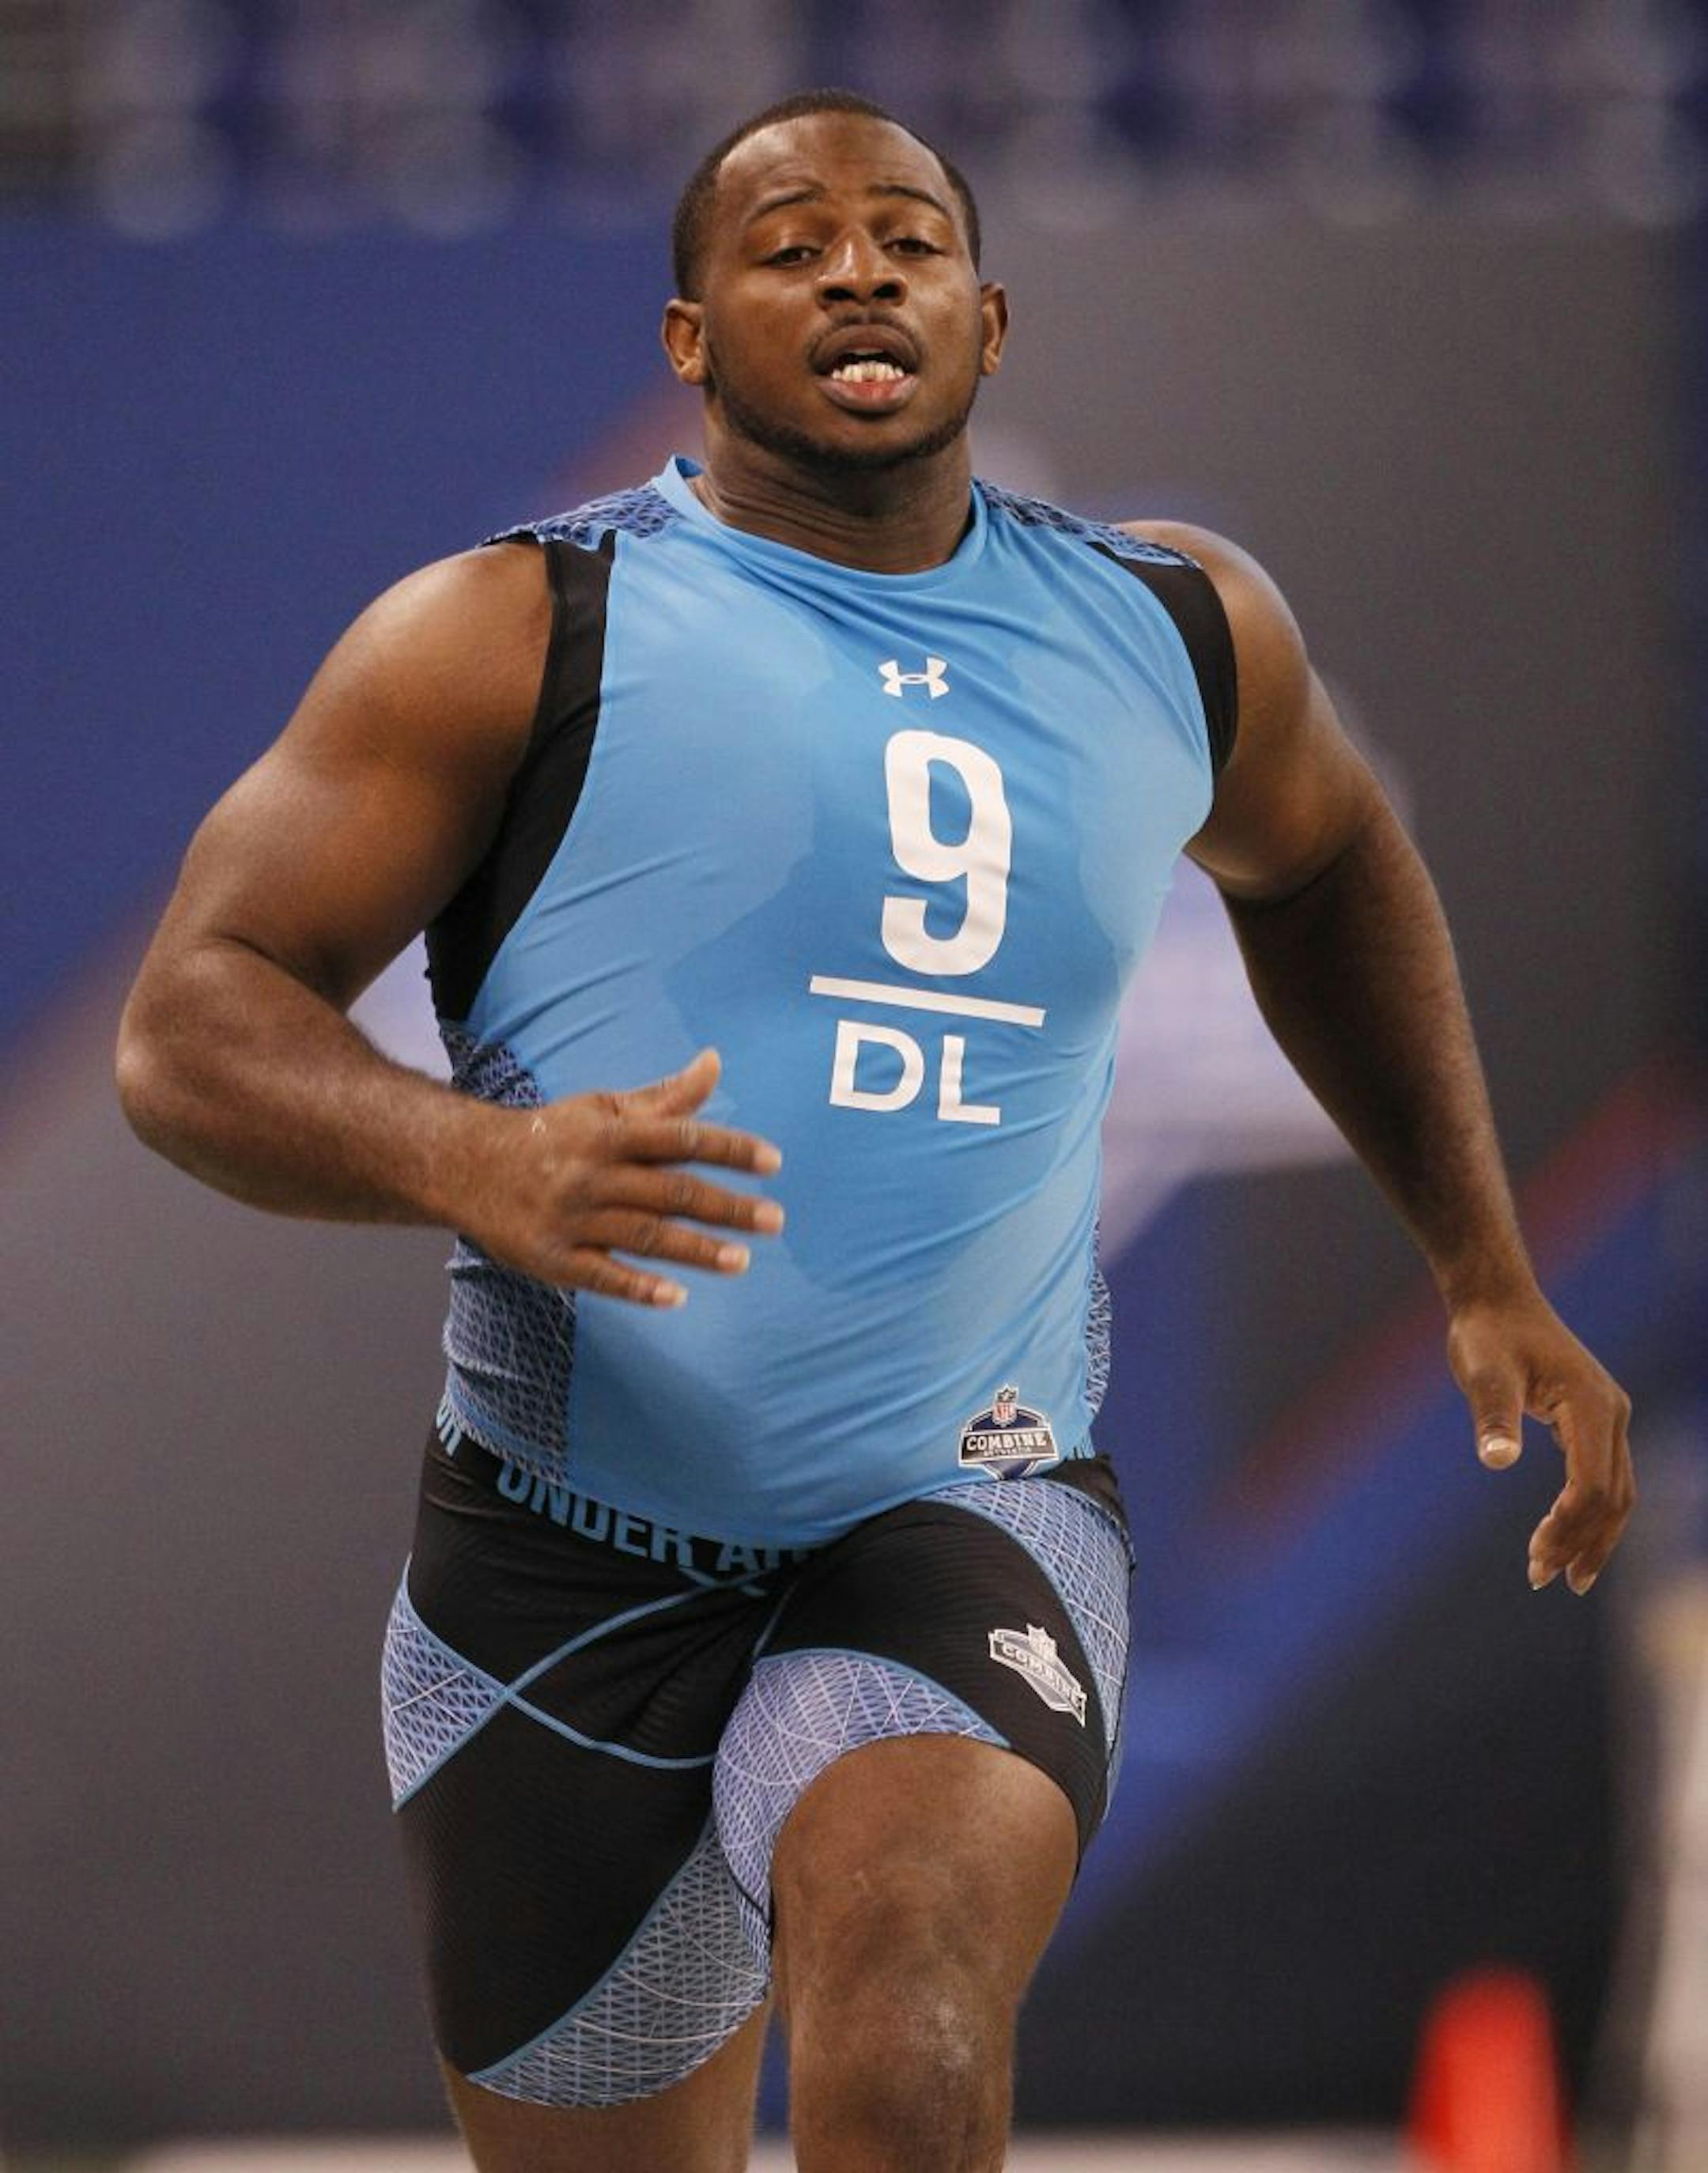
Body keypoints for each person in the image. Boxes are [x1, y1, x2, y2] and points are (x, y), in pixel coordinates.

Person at [116, 85, 1635, 2173]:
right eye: (790, 239)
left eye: (905, 239)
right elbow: (191, 1019)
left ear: (988, 321)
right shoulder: (510, 631)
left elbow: (1330, 860)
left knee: (908, 2015)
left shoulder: (1173, 632)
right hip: (559, 1560)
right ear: (688, 336)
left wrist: (1479, 1261)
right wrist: (483, 1162)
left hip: (960, 1511)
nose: (855, 268)